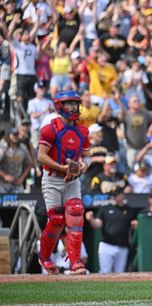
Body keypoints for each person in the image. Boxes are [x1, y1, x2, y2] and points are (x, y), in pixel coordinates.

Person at [37, 91, 90, 275]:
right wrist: (62, 167)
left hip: (72, 180)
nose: (74, 108)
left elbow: (86, 158)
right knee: (56, 220)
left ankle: (75, 262)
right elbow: (41, 156)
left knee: (76, 212)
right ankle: (44, 257)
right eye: (69, 104)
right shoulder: (49, 129)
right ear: (60, 106)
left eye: (75, 104)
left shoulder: (83, 131)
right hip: (52, 178)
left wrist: (82, 165)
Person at [85, 191, 138, 273]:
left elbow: (134, 225)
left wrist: (135, 224)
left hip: (123, 246)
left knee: (120, 273)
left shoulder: (129, 210)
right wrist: (91, 219)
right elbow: (97, 224)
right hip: (107, 245)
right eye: (114, 196)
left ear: (123, 195)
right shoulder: (105, 208)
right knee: (105, 271)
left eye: (117, 195)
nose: (115, 197)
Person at [0, 127, 32, 193]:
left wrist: (22, 178)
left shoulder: (23, 148)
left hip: (16, 183)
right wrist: (5, 176)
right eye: (14, 134)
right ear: (8, 135)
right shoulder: (3, 146)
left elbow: (29, 164)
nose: (16, 136)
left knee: (22, 201)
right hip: (2, 183)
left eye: (17, 134)